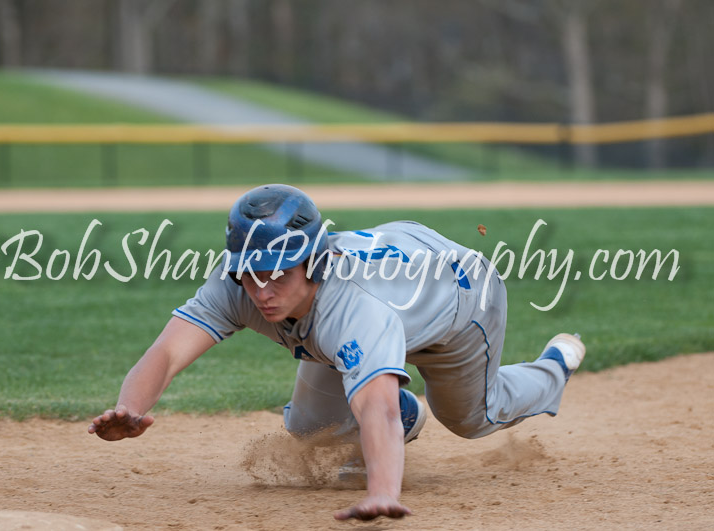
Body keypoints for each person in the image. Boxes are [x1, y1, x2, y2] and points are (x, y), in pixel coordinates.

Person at [88, 184, 586, 521]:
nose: (262, 288)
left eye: (280, 270)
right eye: (251, 270)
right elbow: (168, 351)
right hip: (397, 268)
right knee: (310, 427)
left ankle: (553, 367)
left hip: (459, 297)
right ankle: (413, 418)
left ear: (314, 260)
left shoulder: (355, 308)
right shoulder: (238, 281)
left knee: (472, 417)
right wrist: (131, 409)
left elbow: (377, 407)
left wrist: (383, 494)